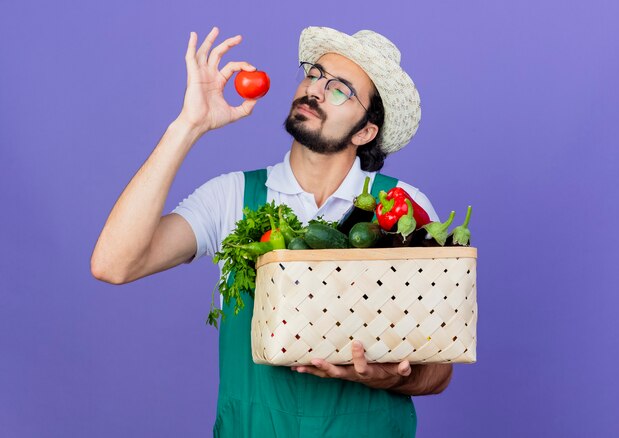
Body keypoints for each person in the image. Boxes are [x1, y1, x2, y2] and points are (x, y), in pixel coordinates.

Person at [92, 26, 453, 437]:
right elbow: (113, 264)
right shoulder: (232, 196)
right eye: (314, 74)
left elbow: (438, 373)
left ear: (365, 132)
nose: (315, 90)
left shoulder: (404, 207)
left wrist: (386, 377)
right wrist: (187, 126)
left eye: (340, 90)